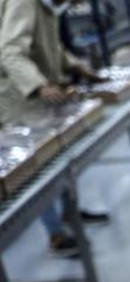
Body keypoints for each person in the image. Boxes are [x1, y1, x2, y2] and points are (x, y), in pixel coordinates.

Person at [1, 0, 103, 257]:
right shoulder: (24, 2)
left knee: (59, 155)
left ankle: (69, 210)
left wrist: (74, 65)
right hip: (20, 98)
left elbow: (50, 47)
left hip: (39, 96)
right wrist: (38, 85)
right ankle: (55, 234)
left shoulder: (48, 7)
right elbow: (10, 51)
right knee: (38, 165)